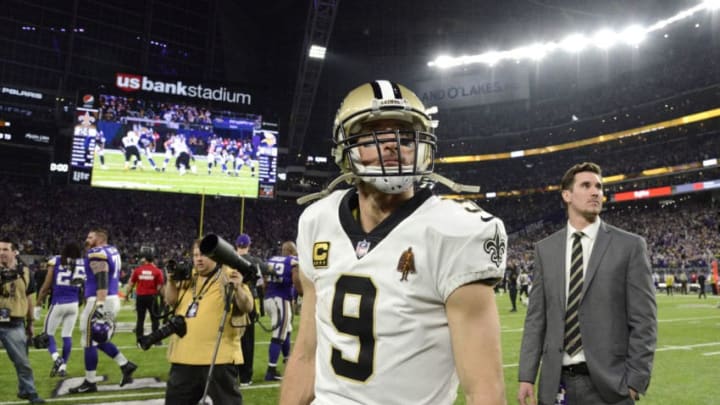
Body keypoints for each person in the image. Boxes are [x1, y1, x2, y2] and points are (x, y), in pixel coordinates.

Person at [280, 80, 507, 405]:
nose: (392, 145)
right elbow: (306, 352)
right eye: (374, 134)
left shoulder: (456, 231)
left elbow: (484, 390)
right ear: (347, 149)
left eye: (404, 135)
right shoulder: (317, 221)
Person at [517, 162, 657, 405]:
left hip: (610, 387)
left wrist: (634, 382)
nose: (595, 192)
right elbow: (536, 319)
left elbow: (644, 320)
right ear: (567, 195)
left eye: (599, 187)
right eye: (586, 185)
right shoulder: (545, 250)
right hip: (556, 384)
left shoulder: (630, 246)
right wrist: (526, 376)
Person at [163, 238, 254, 404]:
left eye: (203, 254)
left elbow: (247, 306)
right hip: (183, 358)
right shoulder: (187, 276)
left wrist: (239, 287)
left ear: (216, 256)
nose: (198, 258)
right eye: (195, 255)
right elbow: (171, 301)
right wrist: (170, 280)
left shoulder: (229, 274)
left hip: (218, 359)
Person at [69, 228, 138, 394]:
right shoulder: (112, 250)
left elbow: (102, 277)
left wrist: (99, 304)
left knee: (88, 340)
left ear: (99, 239)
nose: (87, 239)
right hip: (112, 298)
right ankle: (125, 364)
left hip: (99, 299)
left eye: (90, 237)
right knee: (98, 337)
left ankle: (90, 381)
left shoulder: (96, 252)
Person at [0, 239, 45, 404]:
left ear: (14, 252)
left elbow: (28, 298)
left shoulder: (25, 272)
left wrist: (31, 322)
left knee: (23, 362)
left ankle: (30, 393)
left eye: (5, 249)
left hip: (15, 322)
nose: (1, 253)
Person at [36, 242, 84, 378]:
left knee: (47, 334)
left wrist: (39, 302)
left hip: (58, 303)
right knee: (66, 335)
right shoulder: (82, 263)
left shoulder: (56, 260)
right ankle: (63, 367)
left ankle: (57, 358)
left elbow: (46, 286)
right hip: (74, 304)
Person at [263, 240, 299, 382]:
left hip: (268, 299)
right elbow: (296, 280)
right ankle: (271, 371)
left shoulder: (271, 259)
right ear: (291, 251)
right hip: (281, 300)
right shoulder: (293, 260)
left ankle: (287, 362)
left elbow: (264, 281)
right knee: (278, 335)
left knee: (287, 330)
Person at [234, 233, 265, 386]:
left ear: (236, 246)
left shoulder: (231, 260)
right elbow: (260, 285)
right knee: (247, 341)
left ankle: (232, 373)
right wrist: (261, 307)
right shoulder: (255, 262)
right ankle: (246, 376)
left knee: (231, 338)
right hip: (249, 301)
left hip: (233, 302)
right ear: (249, 245)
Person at [126, 254, 165, 346]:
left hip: (140, 297)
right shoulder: (157, 271)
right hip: (152, 297)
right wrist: (164, 298)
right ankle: (156, 340)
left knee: (140, 319)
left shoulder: (138, 270)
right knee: (155, 319)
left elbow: (131, 284)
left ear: (145, 260)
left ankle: (139, 340)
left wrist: (126, 295)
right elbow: (160, 287)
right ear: (152, 260)